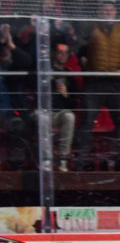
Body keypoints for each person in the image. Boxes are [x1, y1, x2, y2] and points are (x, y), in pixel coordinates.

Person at [75, 0, 120, 168]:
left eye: (110, 10)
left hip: (116, 83)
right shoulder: (90, 28)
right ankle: (81, 160)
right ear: (99, 11)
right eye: (105, 10)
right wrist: (83, 57)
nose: (108, 12)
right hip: (94, 81)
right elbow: (79, 48)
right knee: (87, 121)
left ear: (115, 12)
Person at [50, 43, 79, 172]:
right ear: (54, 53)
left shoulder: (69, 75)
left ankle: (63, 161)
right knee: (43, 118)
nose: (63, 55)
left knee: (70, 116)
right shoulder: (45, 71)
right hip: (44, 112)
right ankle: (46, 161)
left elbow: (74, 104)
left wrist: (66, 95)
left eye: (66, 53)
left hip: (60, 114)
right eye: (60, 52)